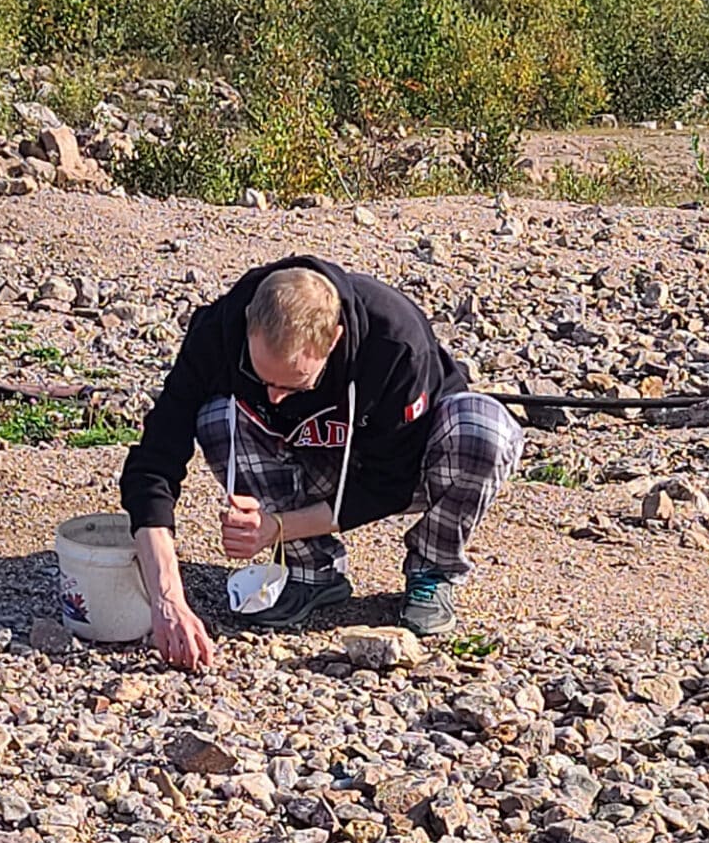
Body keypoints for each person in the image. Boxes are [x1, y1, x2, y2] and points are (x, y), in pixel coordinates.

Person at [119, 256, 524, 671]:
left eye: (293, 384)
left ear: (333, 340)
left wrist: (275, 527)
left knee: (482, 430)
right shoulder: (215, 332)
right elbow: (153, 464)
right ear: (247, 325)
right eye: (262, 379)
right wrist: (167, 599)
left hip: (405, 464)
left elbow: (388, 486)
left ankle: (432, 570)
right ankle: (313, 571)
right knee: (215, 416)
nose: (274, 398)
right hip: (301, 456)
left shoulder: (395, 341)